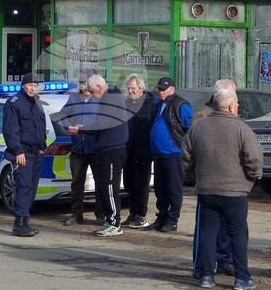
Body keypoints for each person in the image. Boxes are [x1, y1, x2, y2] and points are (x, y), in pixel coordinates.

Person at [182, 88, 264, 290]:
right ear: (230, 106)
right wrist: (252, 178)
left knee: (208, 233)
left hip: (207, 190)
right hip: (235, 192)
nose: (237, 106)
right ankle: (242, 278)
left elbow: (186, 158)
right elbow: (253, 158)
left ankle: (207, 276)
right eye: (236, 103)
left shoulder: (198, 126)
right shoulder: (241, 128)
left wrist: (195, 177)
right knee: (238, 234)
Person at [191, 79, 238, 276]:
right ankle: (202, 266)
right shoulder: (201, 117)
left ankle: (225, 259)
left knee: (228, 227)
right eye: (232, 96)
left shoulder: (236, 121)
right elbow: (190, 152)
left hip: (231, 186)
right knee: (207, 228)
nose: (236, 101)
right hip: (209, 185)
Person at [76, 74, 129, 236]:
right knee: (105, 187)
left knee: (110, 187)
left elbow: (102, 123)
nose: (91, 95)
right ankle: (110, 220)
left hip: (112, 149)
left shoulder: (112, 98)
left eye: (92, 91)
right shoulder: (109, 98)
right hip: (107, 148)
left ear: (99, 87)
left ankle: (114, 222)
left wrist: (81, 128)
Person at [144, 77, 193, 232]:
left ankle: (172, 219)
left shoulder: (181, 104)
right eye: (159, 89)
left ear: (172, 88)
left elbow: (190, 129)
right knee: (160, 188)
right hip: (158, 153)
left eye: (164, 89)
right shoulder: (158, 104)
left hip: (174, 153)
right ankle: (162, 217)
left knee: (174, 188)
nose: (161, 92)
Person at [2, 73, 47, 238]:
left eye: (35, 85)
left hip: (36, 152)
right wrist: (18, 151)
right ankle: (19, 224)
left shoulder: (37, 102)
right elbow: (10, 129)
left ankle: (25, 220)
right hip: (23, 153)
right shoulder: (14, 102)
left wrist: (43, 147)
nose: (32, 88)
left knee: (32, 188)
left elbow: (41, 127)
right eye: (30, 85)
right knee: (24, 186)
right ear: (23, 86)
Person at [61, 71, 97, 226]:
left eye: (87, 83)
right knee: (77, 183)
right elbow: (63, 113)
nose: (84, 86)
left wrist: (83, 129)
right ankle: (76, 214)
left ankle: (101, 214)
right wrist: (68, 125)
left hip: (95, 148)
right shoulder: (74, 98)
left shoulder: (100, 99)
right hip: (78, 148)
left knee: (100, 182)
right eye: (82, 83)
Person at [121, 74, 154, 229]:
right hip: (128, 151)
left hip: (143, 151)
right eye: (128, 88)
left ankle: (141, 215)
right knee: (129, 184)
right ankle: (132, 213)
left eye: (132, 88)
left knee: (141, 185)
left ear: (141, 88)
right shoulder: (126, 103)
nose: (130, 90)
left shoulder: (150, 104)